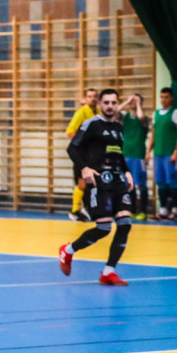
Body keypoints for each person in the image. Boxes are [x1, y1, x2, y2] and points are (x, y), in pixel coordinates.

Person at [58, 88, 135, 286]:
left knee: (125, 224)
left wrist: (126, 172)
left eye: (113, 103)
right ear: (100, 104)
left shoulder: (118, 127)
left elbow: (118, 154)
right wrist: (84, 168)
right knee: (103, 228)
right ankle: (67, 251)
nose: (110, 106)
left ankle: (108, 272)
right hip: (99, 181)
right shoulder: (91, 124)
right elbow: (72, 147)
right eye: (106, 102)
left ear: (117, 105)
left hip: (118, 181)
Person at [146, 87, 177, 220]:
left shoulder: (176, 113)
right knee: (160, 182)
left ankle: (174, 209)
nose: (164, 99)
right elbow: (153, 134)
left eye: (166, 97)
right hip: (158, 154)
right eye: (162, 97)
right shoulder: (155, 114)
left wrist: (176, 151)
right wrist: (148, 152)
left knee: (172, 182)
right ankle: (163, 210)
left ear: (171, 98)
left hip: (170, 153)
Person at [66, 88, 98, 222]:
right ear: (85, 98)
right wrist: (80, 145)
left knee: (90, 181)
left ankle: (86, 209)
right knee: (81, 182)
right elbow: (70, 131)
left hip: (93, 153)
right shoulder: (81, 112)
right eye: (89, 96)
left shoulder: (99, 112)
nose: (92, 99)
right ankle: (74, 211)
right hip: (81, 153)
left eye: (94, 96)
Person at [118, 93, 149, 220]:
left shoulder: (144, 118)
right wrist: (127, 100)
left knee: (141, 184)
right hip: (126, 154)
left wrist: (137, 104)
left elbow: (141, 117)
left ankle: (143, 210)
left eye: (136, 101)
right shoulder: (125, 118)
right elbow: (116, 111)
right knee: (128, 183)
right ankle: (131, 209)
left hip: (138, 155)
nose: (133, 103)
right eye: (132, 101)